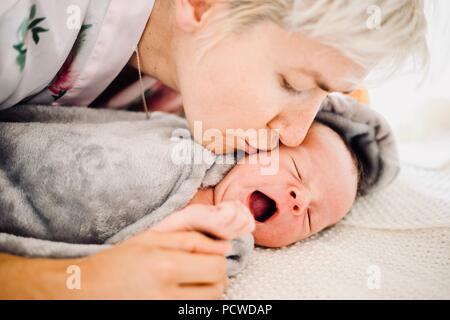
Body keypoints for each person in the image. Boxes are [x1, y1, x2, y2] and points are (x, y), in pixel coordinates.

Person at [0, 0, 427, 299]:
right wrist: (79, 282)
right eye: (291, 84)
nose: (295, 135)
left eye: (321, 96)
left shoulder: (187, 69)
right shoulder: (23, 21)